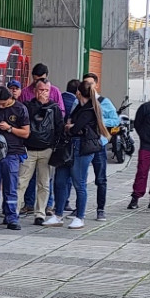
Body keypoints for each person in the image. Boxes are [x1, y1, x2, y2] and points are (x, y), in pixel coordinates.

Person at [43, 80, 108, 230]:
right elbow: (70, 125)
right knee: (59, 181)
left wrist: (72, 127)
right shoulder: (79, 107)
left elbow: (74, 128)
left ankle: (80, 217)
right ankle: (58, 215)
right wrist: (71, 127)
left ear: (78, 93)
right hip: (69, 147)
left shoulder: (90, 109)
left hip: (81, 148)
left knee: (79, 183)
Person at [0, 86, 29, 230]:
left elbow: (26, 133)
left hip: (12, 153)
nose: (0, 106)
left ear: (10, 98)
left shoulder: (20, 109)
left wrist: (9, 128)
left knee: (11, 187)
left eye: (3, 103)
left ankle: (11, 218)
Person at [20, 80, 62, 225]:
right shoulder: (27, 106)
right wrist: (39, 104)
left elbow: (59, 127)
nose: (43, 93)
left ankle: (40, 213)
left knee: (44, 183)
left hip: (46, 150)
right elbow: (27, 118)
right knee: (21, 182)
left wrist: (55, 147)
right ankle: (13, 212)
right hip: (29, 150)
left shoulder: (54, 108)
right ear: (35, 91)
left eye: (46, 90)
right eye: (40, 90)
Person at [81, 72, 118, 221]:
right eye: (85, 83)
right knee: (80, 178)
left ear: (96, 84)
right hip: (83, 145)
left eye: (90, 83)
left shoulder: (104, 102)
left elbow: (115, 120)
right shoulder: (81, 102)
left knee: (101, 179)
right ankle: (79, 208)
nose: (88, 86)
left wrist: (99, 121)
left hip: (99, 144)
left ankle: (100, 209)